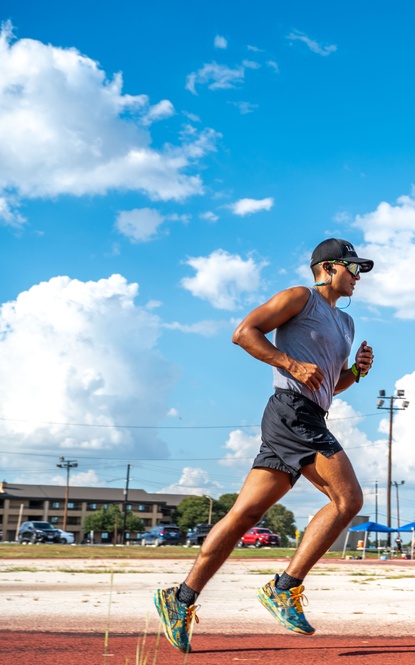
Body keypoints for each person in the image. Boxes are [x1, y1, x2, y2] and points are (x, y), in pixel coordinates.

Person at [154, 238, 375, 653]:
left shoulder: (345, 324)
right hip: (292, 412)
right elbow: (244, 333)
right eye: (352, 268)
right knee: (349, 500)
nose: (357, 277)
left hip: (308, 412)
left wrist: (356, 373)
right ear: (328, 268)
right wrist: (288, 362)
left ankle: (180, 599)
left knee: (244, 515)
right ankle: (284, 587)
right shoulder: (299, 298)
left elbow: (328, 384)